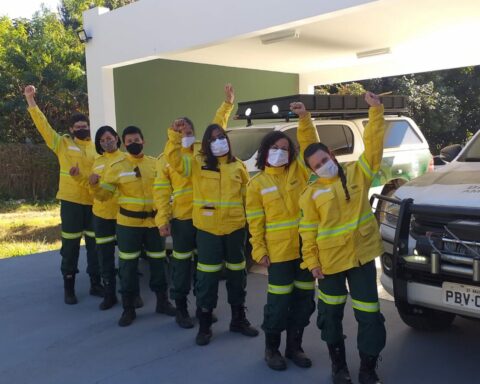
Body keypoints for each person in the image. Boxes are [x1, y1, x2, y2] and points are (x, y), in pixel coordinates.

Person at [299, 91, 386, 384]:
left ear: (332, 155)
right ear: (311, 170)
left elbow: (373, 149)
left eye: (325, 159)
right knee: (330, 317)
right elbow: (307, 231)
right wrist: (312, 262)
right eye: (316, 165)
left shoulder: (357, 173)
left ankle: (368, 369)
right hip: (329, 265)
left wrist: (375, 112)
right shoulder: (311, 194)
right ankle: (339, 366)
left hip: (361, 260)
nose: (323, 165)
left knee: (370, 317)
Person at [165, 86, 259, 346]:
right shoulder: (194, 164)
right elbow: (174, 158)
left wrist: (228, 104)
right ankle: (204, 324)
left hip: (235, 229)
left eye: (222, 138)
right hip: (207, 231)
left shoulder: (238, 167)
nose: (218, 141)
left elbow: (246, 199)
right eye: (213, 139)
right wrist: (175, 133)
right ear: (205, 145)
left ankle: (238, 318)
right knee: (206, 277)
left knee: (237, 275)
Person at [153, 84, 235, 329]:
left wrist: (228, 104)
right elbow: (161, 191)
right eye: (180, 131)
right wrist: (162, 219)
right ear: (173, 134)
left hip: (206, 218)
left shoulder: (203, 152)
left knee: (205, 267)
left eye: (188, 130)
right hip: (182, 219)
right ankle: (181, 308)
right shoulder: (166, 159)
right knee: (181, 265)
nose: (185, 133)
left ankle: (203, 307)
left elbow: (217, 126)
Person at [246, 102, 319, 371]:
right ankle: (272, 349)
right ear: (265, 152)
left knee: (303, 303)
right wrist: (258, 250)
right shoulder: (257, 184)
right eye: (274, 148)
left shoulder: (299, 172)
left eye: (284, 149)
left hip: (305, 251)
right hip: (277, 255)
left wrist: (304, 118)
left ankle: (294, 347)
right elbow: (255, 222)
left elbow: (310, 145)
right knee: (277, 304)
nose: (279, 152)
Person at [24, 85, 103, 304]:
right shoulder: (62, 143)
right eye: (78, 126)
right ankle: (69, 287)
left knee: (95, 246)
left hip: (94, 202)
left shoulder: (97, 148)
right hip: (71, 203)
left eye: (85, 126)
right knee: (70, 246)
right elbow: (44, 127)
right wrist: (31, 101)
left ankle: (96, 283)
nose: (82, 129)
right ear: (71, 128)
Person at [92, 125, 175, 326]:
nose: (133, 144)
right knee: (128, 266)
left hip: (154, 224)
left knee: (158, 262)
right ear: (124, 143)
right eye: (129, 141)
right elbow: (104, 196)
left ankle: (162, 302)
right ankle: (128, 308)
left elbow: (167, 190)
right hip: (128, 224)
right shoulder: (116, 167)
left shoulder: (155, 164)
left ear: (143, 141)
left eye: (136, 140)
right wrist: (94, 185)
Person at [70, 126, 123, 310]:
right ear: (99, 144)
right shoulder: (98, 161)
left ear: (116, 138)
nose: (106, 142)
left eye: (109, 138)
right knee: (105, 256)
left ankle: (130, 295)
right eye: (102, 140)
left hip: (122, 215)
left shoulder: (126, 160)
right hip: (100, 216)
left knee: (126, 257)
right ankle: (109, 295)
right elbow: (90, 184)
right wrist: (78, 177)